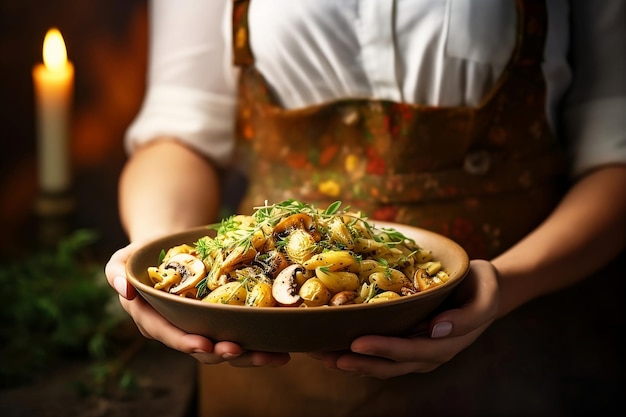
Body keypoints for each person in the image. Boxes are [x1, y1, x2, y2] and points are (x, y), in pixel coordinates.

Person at [105, 0, 626, 415]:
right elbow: (179, 135)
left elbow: (615, 155)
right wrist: (163, 271)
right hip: (262, 363)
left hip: (516, 336)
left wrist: (508, 283)